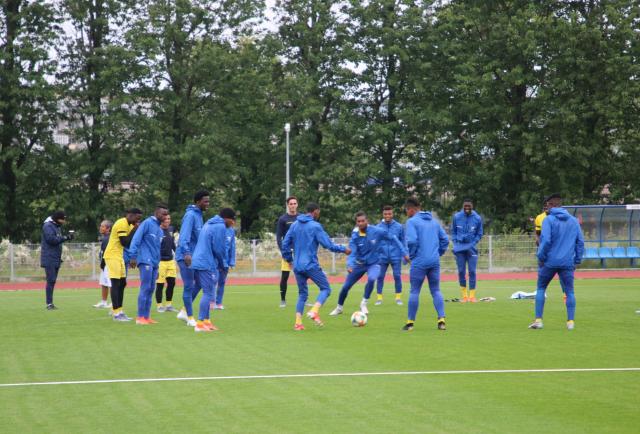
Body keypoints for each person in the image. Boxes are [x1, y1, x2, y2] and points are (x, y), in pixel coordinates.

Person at [281, 202, 350, 331]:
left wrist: (289, 259)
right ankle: (314, 311)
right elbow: (328, 245)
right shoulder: (315, 226)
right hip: (310, 265)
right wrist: (343, 249)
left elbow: (285, 244)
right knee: (326, 289)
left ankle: (298, 323)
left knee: (302, 294)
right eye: (319, 212)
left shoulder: (295, 225)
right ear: (316, 211)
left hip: (297, 266)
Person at [329, 211, 408, 316]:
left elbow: (394, 238)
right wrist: (350, 264)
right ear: (356, 222)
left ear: (367, 221)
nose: (361, 223)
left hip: (374, 263)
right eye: (358, 221)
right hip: (359, 264)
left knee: (371, 278)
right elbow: (352, 252)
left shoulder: (377, 231)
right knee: (346, 287)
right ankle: (339, 308)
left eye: (363, 221)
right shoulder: (355, 235)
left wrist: (404, 253)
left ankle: (363, 303)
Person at [529, 194, 584, 330]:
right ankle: (570, 322)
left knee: (541, 288)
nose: (546, 208)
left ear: (551, 205)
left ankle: (538, 320)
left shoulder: (548, 220)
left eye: (547, 205)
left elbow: (546, 241)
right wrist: (577, 260)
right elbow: (580, 242)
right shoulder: (573, 221)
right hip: (567, 262)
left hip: (549, 262)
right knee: (569, 292)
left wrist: (541, 257)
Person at [402, 198, 449, 331]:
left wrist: (411, 255)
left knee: (414, 291)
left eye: (406, 210)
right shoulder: (434, 222)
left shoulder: (411, 222)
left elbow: (412, 241)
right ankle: (441, 320)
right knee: (436, 290)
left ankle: (410, 323)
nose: (406, 213)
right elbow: (445, 240)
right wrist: (439, 253)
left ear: (411, 209)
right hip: (434, 261)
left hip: (419, 262)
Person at [191, 208, 236, 332]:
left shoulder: (209, 223)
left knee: (208, 291)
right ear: (227, 218)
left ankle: (206, 321)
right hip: (206, 262)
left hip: (199, 260)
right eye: (232, 220)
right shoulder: (220, 226)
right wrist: (222, 263)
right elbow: (218, 249)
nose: (233, 223)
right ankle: (200, 324)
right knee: (208, 293)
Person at [128, 204, 169, 325]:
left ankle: (146, 316)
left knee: (151, 289)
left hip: (154, 263)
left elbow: (157, 249)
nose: (165, 216)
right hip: (145, 260)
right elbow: (136, 239)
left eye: (166, 214)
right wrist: (133, 256)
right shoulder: (147, 223)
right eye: (163, 213)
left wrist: (157, 266)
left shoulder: (160, 230)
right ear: (156, 213)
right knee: (145, 287)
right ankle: (140, 317)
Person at [176, 190, 210, 327]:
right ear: (198, 202)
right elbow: (184, 236)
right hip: (186, 256)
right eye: (205, 201)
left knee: (200, 283)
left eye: (208, 201)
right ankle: (190, 318)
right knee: (189, 285)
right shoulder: (190, 215)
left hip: (194, 256)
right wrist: (186, 253)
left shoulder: (199, 215)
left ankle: (184, 311)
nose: (208, 203)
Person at [103, 208, 143, 321]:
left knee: (122, 283)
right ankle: (116, 313)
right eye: (137, 218)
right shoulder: (121, 223)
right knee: (116, 284)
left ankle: (119, 310)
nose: (138, 221)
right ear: (130, 215)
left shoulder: (129, 225)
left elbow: (130, 243)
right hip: (112, 255)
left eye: (139, 219)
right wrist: (135, 230)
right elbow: (124, 242)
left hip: (119, 256)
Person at [451, 199, 483, 303]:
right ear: (463, 207)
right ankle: (464, 296)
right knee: (461, 271)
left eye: (469, 207)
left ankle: (472, 296)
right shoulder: (457, 217)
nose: (467, 209)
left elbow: (479, 233)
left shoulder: (477, 218)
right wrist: (455, 242)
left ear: (472, 207)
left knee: (472, 271)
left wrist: (474, 242)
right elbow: (453, 231)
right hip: (459, 248)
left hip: (471, 248)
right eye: (466, 207)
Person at [40, 210, 73, 310]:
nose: (64, 221)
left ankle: (50, 303)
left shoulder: (56, 226)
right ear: (57, 219)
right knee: (51, 280)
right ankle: (49, 304)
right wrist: (65, 237)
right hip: (49, 257)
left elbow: (57, 239)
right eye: (63, 219)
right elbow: (51, 240)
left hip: (55, 257)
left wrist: (67, 237)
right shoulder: (48, 226)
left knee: (52, 281)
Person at [375, 206, 406, 306]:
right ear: (383, 214)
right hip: (382, 257)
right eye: (385, 214)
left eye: (389, 214)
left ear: (393, 214)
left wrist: (404, 254)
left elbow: (403, 241)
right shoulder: (378, 227)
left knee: (397, 276)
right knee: (380, 277)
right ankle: (379, 298)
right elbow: (375, 242)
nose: (387, 215)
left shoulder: (399, 227)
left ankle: (398, 298)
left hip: (396, 256)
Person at [276, 196, 299, 307]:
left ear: (297, 205)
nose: (293, 205)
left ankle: (303, 299)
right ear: (287, 205)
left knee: (302, 276)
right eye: (291, 204)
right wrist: (283, 251)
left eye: (294, 203)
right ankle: (283, 300)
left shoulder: (301, 218)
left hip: (299, 252)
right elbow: (278, 237)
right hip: (287, 252)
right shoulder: (283, 219)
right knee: (285, 276)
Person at [155, 214, 177, 313]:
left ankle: (169, 305)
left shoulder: (171, 229)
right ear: (161, 220)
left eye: (169, 218)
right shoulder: (157, 230)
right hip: (160, 262)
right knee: (160, 284)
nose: (168, 220)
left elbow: (172, 244)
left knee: (172, 283)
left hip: (170, 261)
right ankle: (159, 306)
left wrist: (178, 254)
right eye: (166, 219)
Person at [213, 217, 236, 310]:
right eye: (232, 220)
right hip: (215, 261)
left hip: (225, 262)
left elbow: (232, 247)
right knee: (213, 281)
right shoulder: (217, 228)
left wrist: (232, 261)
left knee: (222, 282)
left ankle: (219, 303)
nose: (233, 222)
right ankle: (212, 302)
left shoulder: (231, 231)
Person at [94, 220, 113, 308]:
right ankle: (104, 302)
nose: (100, 228)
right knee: (104, 283)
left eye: (103, 226)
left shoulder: (108, 238)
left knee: (111, 283)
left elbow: (106, 253)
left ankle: (114, 302)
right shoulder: (105, 238)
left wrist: (102, 264)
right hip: (104, 264)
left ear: (108, 228)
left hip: (109, 264)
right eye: (100, 226)